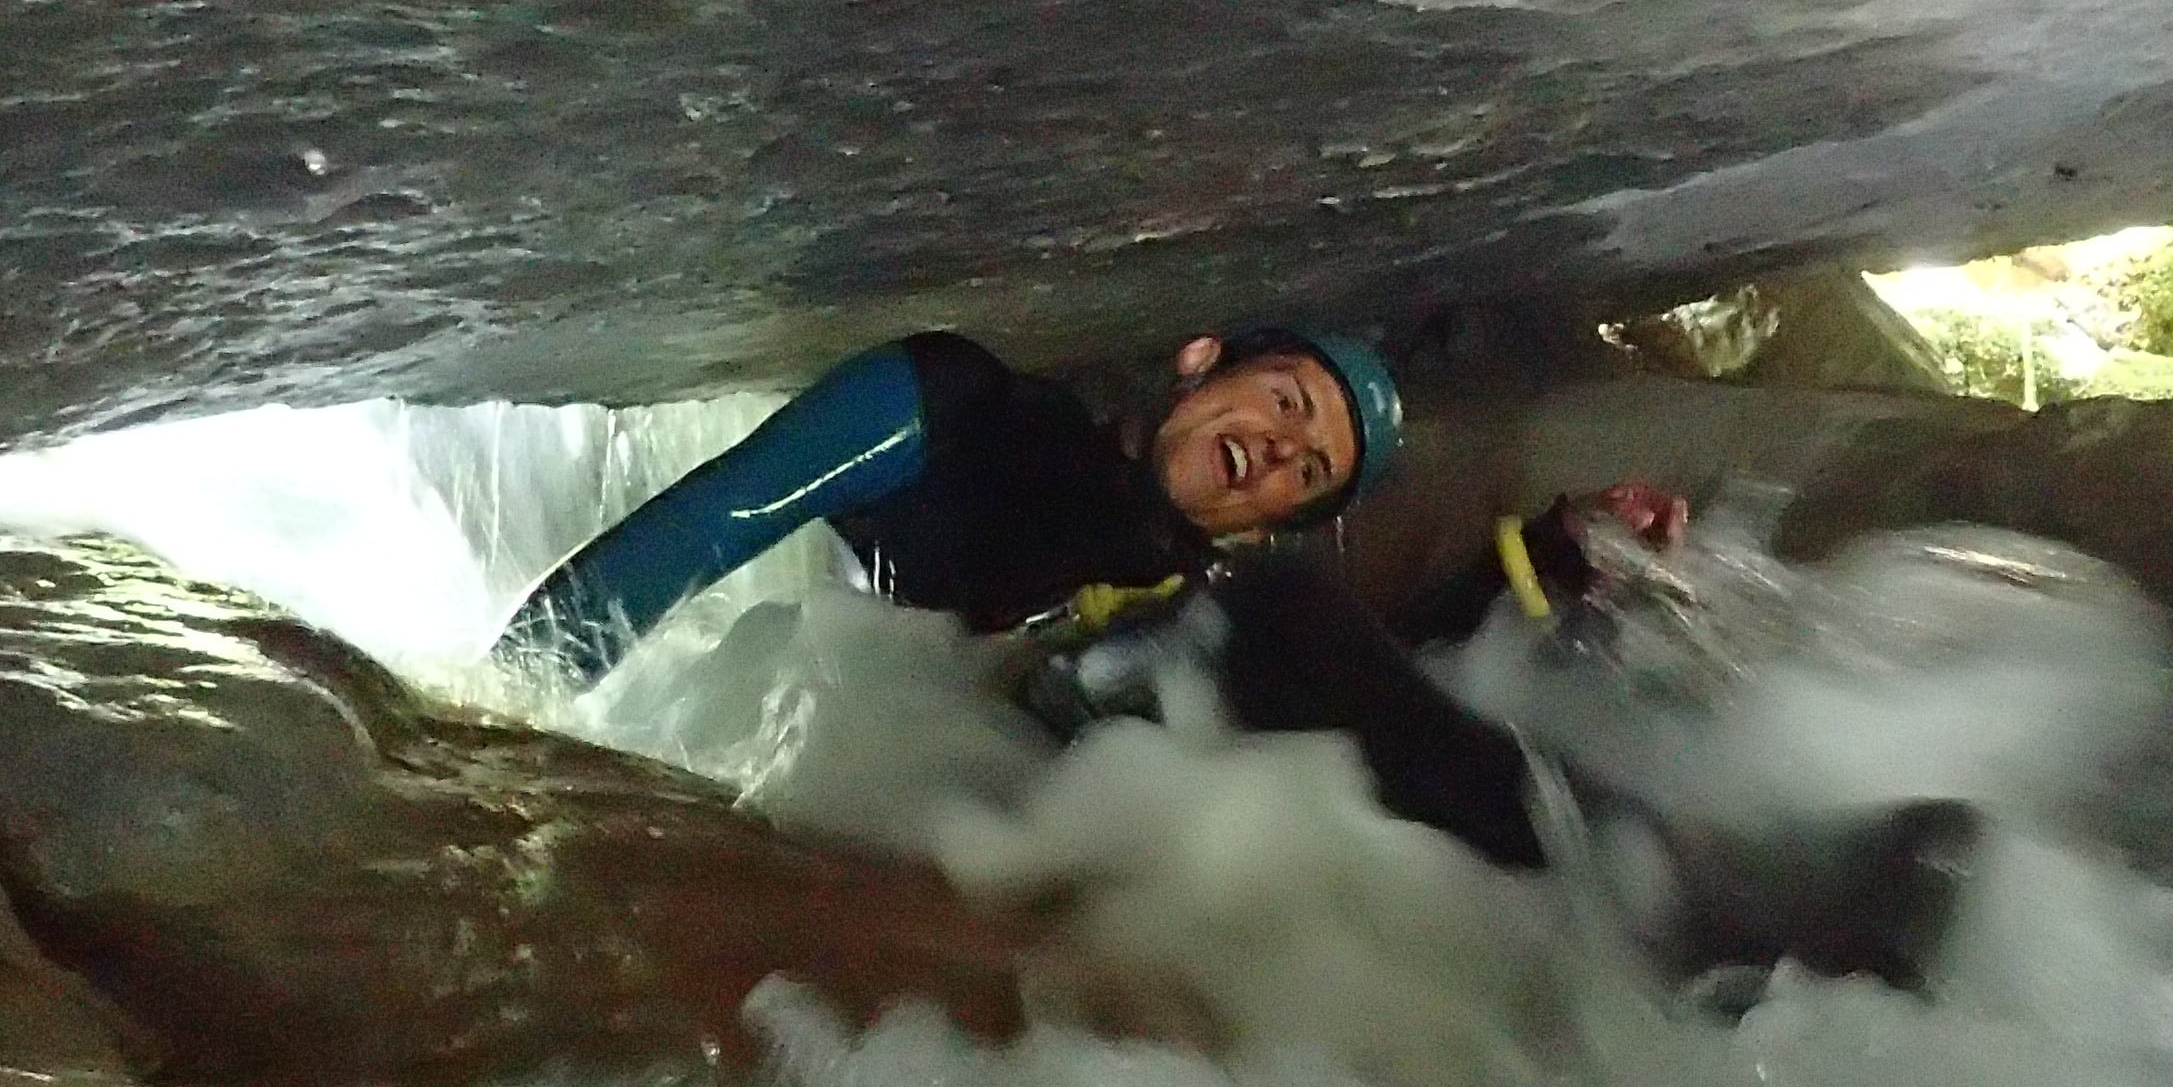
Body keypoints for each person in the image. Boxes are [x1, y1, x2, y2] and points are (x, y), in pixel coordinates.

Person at [498, 324, 1626, 869]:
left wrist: (1542, 561)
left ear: (1264, 522)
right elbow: (715, 522)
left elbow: (1370, 706)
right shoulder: (954, 410)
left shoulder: (1198, 608)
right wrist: (497, 710)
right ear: (1200, 362)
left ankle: (1624, 891)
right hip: (862, 752)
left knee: (1268, 636)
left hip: (1032, 817)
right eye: (1282, 404)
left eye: (1307, 472)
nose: (1277, 452)